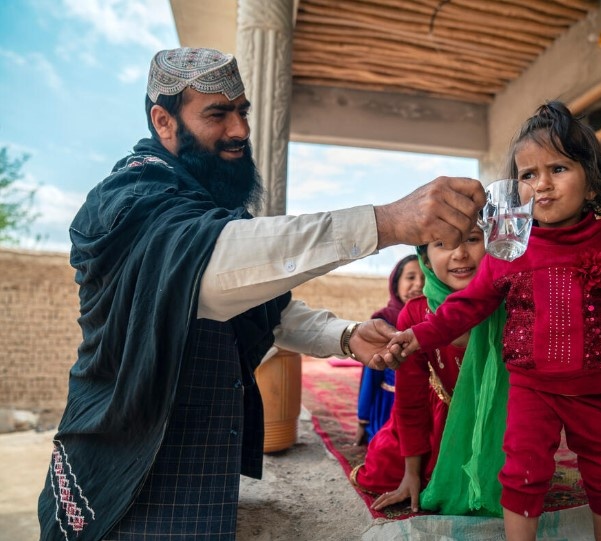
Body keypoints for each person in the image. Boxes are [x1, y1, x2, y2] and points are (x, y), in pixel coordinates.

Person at [37, 47, 485, 541]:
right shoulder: (126, 202)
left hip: (195, 468)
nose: (240, 131)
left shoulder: (200, 202)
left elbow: (252, 306)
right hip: (122, 459)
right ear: (163, 121)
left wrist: (346, 335)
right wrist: (386, 222)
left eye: (242, 111)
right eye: (217, 114)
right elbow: (211, 273)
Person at [388, 101, 601, 541]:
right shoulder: (509, 248)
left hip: (596, 387)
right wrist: (419, 335)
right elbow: (468, 306)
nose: (542, 186)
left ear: (592, 182)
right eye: (528, 175)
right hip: (531, 387)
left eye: (558, 169)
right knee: (521, 469)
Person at [352, 225, 506, 517]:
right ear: (424, 258)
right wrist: (412, 473)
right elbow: (410, 401)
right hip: (440, 418)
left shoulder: (509, 303)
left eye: (472, 239)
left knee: (512, 480)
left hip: (499, 419)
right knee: (384, 469)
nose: (460, 253)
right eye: (443, 243)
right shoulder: (414, 313)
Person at [354, 254, 424, 446]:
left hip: (425, 406)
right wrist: (363, 419)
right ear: (396, 283)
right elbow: (371, 375)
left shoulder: (436, 321)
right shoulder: (383, 321)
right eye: (410, 277)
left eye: (425, 277)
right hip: (388, 405)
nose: (418, 284)